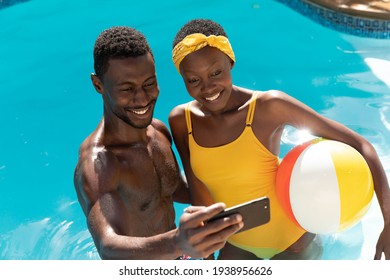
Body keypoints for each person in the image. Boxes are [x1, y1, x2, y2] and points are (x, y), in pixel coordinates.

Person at [168, 19, 390, 260]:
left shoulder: (269, 106)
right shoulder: (182, 120)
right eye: (193, 80)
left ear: (230, 62)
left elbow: (361, 145)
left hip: (293, 244)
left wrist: (388, 223)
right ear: (183, 78)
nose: (208, 87)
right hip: (238, 243)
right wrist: (207, 258)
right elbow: (198, 188)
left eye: (216, 72)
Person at [73, 26, 243, 260]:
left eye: (149, 83)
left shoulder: (159, 131)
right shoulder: (99, 164)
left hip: (179, 256)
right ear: (98, 85)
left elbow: (174, 189)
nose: (142, 98)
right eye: (127, 89)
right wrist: (177, 243)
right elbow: (107, 246)